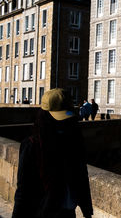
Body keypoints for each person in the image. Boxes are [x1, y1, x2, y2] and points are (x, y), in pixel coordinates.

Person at [12, 88, 93, 218]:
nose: (63, 122)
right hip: (42, 213)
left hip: (67, 213)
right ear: (46, 115)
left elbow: (81, 176)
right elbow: (23, 190)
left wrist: (87, 209)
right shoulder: (32, 145)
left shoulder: (74, 139)